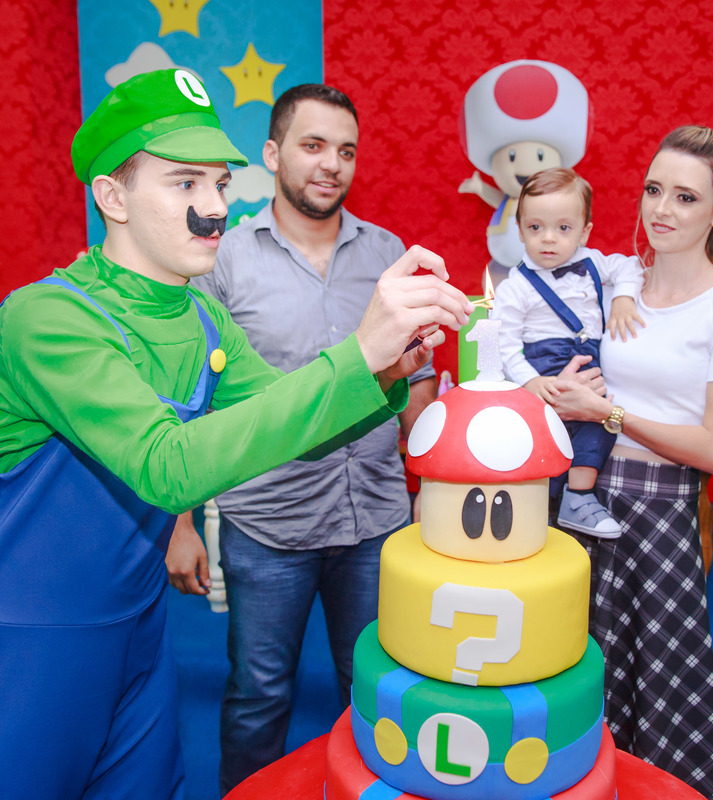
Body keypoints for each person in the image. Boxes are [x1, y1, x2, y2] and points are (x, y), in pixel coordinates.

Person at [0, 68, 472, 800]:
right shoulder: (46, 318)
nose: (214, 208)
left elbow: (297, 423)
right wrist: (357, 352)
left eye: (219, 184)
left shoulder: (201, 318)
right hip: (18, 646)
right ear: (112, 197)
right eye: (185, 184)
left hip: (138, 636)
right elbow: (167, 466)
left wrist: (387, 370)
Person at [190, 83, 438, 795]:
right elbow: (189, 397)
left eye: (346, 151)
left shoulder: (387, 253)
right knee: (258, 694)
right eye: (314, 145)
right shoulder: (225, 259)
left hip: (375, 522)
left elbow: (417, 378)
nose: (332, 164)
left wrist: (432, 480)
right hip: (268, 524)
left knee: (377, 691)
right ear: (273, 154)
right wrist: (179, 522)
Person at [550, 125, 713, 800]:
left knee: (662, 695)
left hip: (662, 522)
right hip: (580, 504)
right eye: (653, 190)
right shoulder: (617, 281)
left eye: (685, 197)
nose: (662, 209)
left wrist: (607, 414)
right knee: (574, 683)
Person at [490, 166, 643, 538]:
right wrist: (530, 382)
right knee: (544, 436)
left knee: (601, 424)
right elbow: (502, 343)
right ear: (520, 229)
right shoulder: (515, 286)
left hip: (590, 362)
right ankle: (540, 504)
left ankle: (579, 497)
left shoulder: (593, 262)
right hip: (543, 366)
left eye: (563, 228)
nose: (548, 238)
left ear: (584, 231)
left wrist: (623, 297)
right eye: (535, 227)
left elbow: (630, 265)